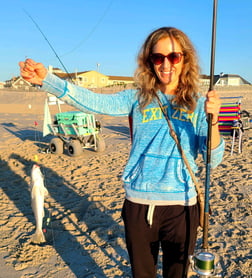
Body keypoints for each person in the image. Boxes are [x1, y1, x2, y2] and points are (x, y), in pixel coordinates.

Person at [20, 26, 224, 278]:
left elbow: (214, 159)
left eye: (174, 57)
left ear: (185, 59)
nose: (165, 64)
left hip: (182, 205)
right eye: (158, 57)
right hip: (139, 204)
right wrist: (47, 80)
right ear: (149, 61)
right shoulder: (136, 98)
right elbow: (94, 101)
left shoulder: (198, 102)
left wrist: (213, 120)